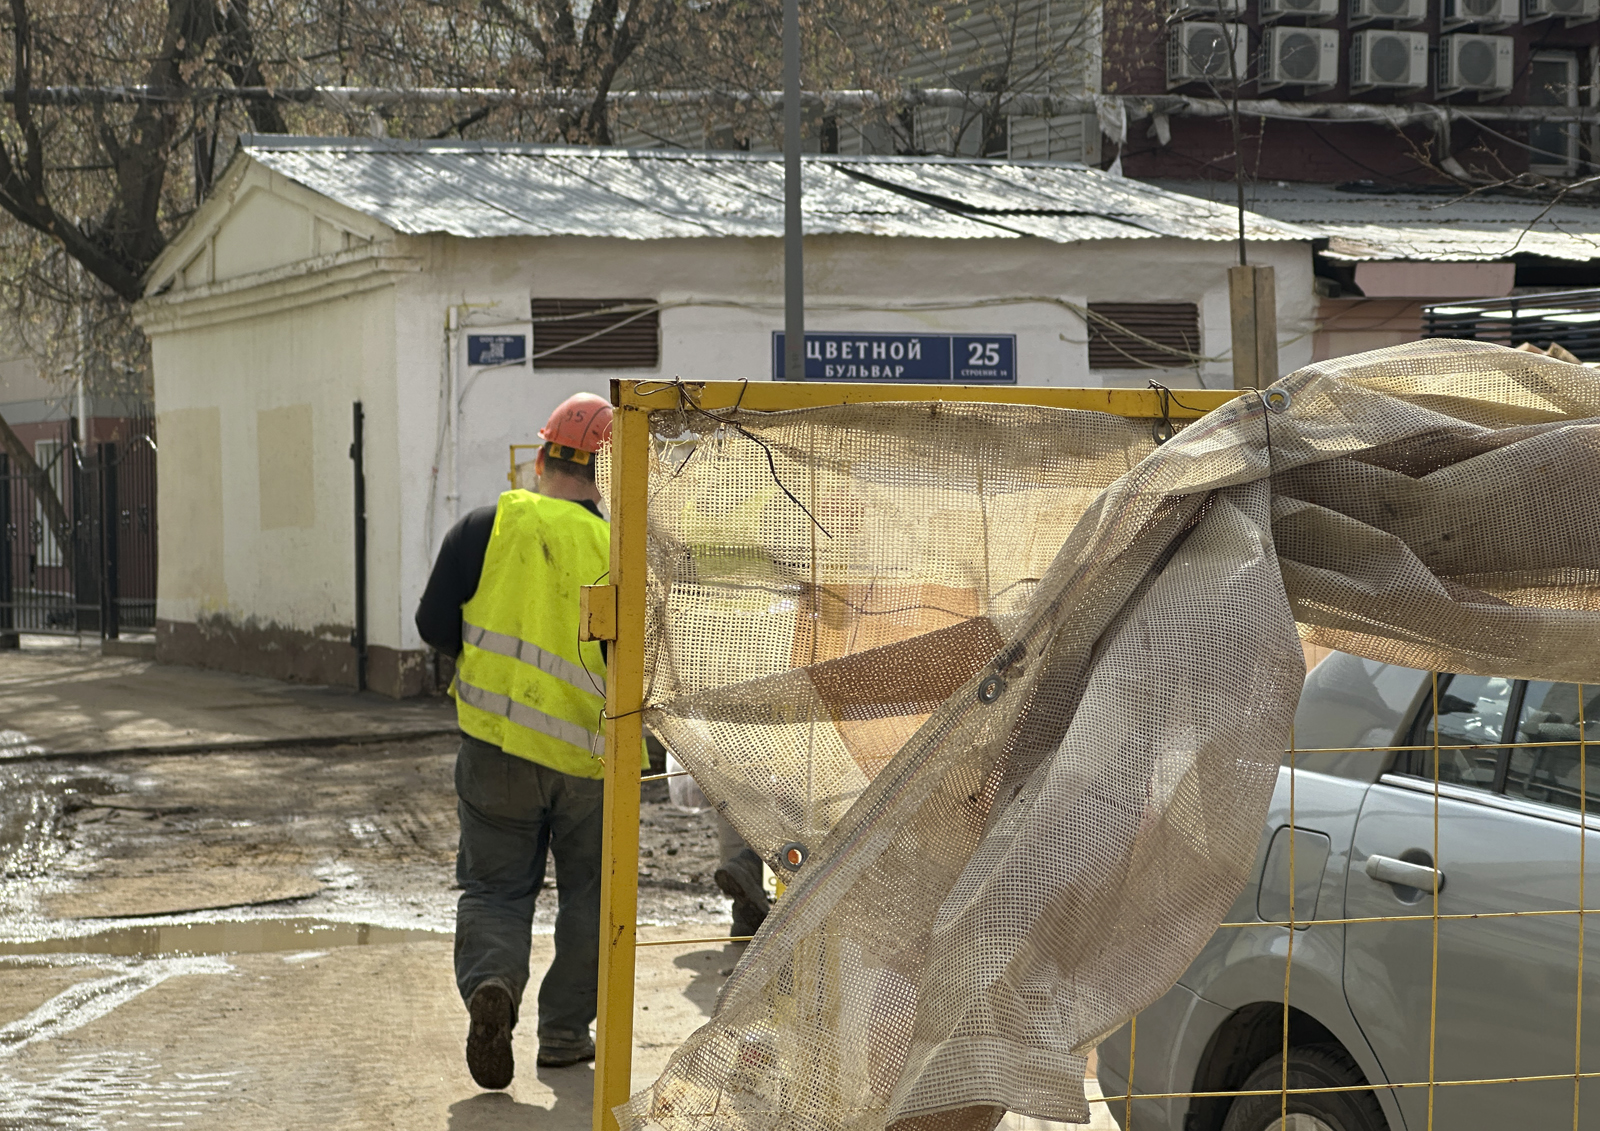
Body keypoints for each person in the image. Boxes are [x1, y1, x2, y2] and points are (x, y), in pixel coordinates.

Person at [415, 391, 613, 1090]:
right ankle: (563, 1034)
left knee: (496, 887)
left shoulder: (482, 526)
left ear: (540, 458)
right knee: (591, 895)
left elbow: (434, 624)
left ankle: (492, 984)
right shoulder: (618, 548)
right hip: (588, 762)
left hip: (494, 748)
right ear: (606, 473)